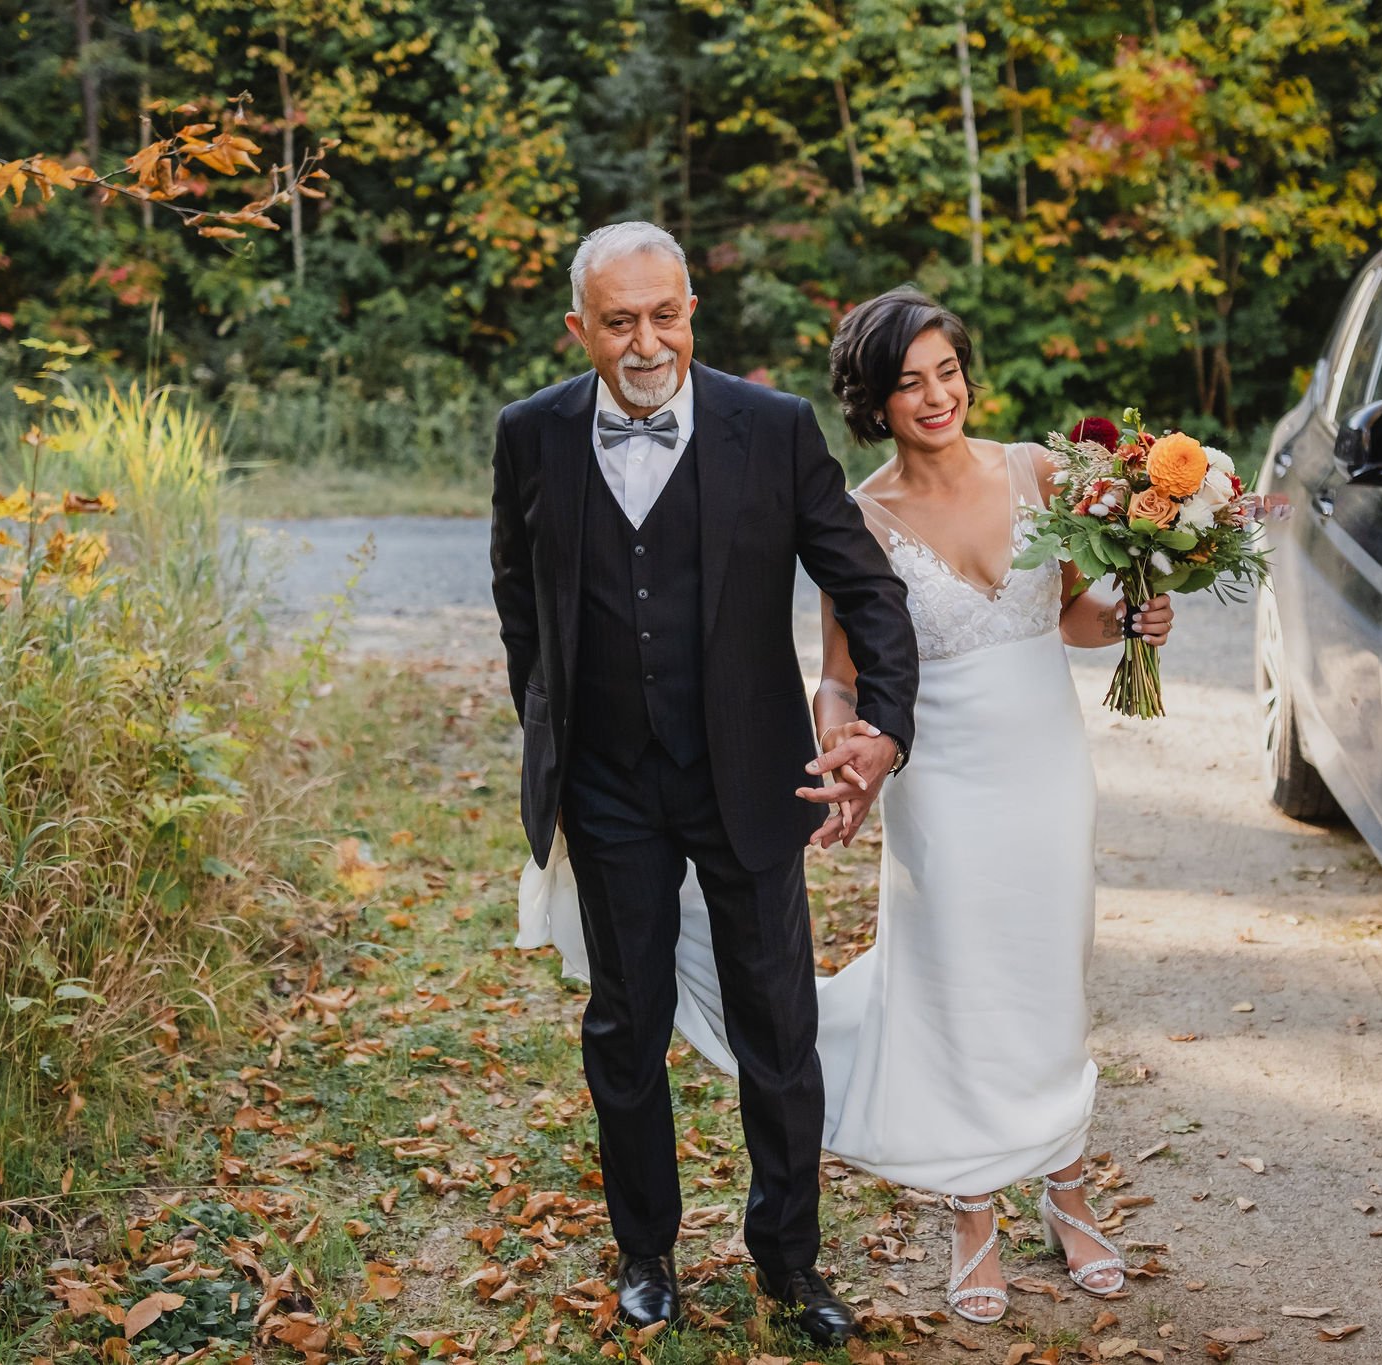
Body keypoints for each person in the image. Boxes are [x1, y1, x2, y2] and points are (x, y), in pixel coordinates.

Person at [489, 222, 918, 1344]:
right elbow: (517, 599)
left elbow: (864, 588)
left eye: (664, 315)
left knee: (778, 1027)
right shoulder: (529, 436)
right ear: (578, 327)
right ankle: (646, 1256)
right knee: (623, 1027)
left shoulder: (770, 429)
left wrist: (884, 728)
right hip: (608, 787)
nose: (646, 341)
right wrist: (552, 732)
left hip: (747, 775)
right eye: (619, 321)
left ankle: (787, 1262)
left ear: (692, 313)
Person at [802, 287, 1174, 1324]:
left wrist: (1132, 616)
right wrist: (842, 750)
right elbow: (838, 675)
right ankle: (972, 1209)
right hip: (942, 780)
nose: (935, 396)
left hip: (1046, 771)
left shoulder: (1037, 472)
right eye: (908, 382)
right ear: (874, 400)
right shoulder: (860, 516)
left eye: (946, 372)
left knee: (1049, 973)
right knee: (965, 978)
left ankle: (1065, 1187)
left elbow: (1070, 617)